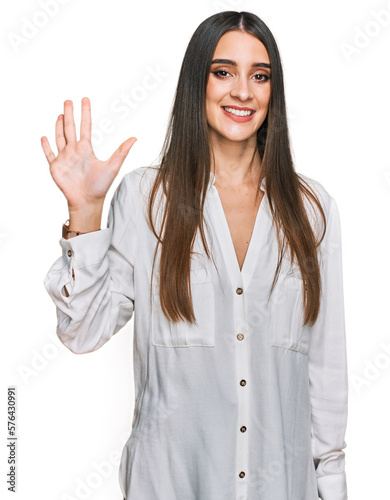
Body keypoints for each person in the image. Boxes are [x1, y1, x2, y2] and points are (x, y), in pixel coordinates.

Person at [41, 10, 348, 500]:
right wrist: (85, 211)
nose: (243, 91)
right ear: (196, 82)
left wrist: (332, 487)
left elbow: (326, 374)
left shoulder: (313, 212)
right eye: (223, 71)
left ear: (275, 91)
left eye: (260, 75)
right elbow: (82, 331)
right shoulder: (146, 199)